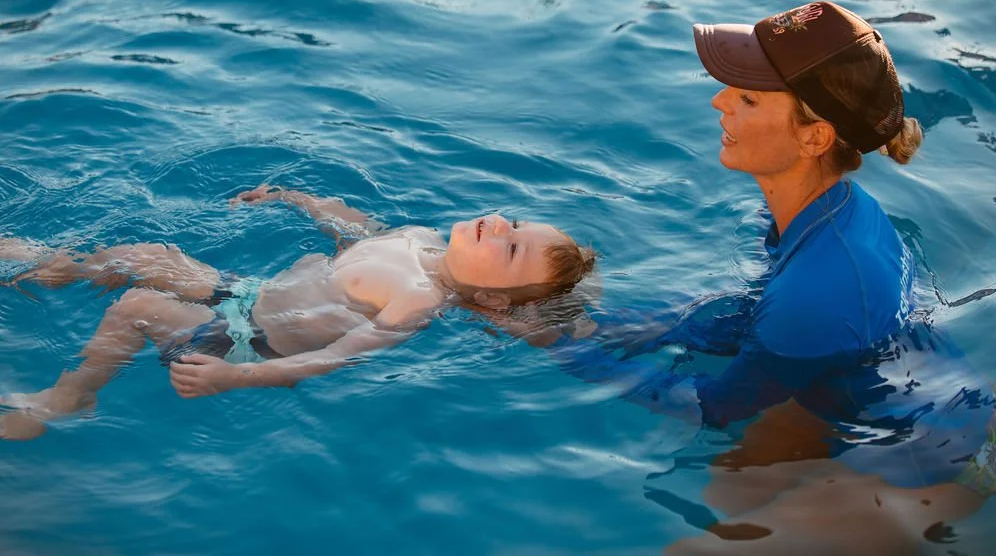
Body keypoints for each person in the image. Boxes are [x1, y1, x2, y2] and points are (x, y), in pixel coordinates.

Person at [529, 2, 996, 554]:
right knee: (727, 490)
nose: (719, 100)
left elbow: (710, 405)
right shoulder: (837, 213)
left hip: (934, 469)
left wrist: (565, 350)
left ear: (815, 138)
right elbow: (760, 316)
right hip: (944, 407)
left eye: (748, 98)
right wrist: (638, 327)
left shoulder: (819, 288)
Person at [0, 185, 594, 440]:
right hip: (247, 293)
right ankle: (58, 265)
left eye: (511, 247)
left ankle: (69, 396)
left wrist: (238, 375)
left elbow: (336, 357)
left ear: (491, 298)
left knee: (136, 306)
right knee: (146, 254)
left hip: (249, 338)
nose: (502, 228)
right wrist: (298, 199)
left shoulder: (420, 301)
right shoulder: (421, 238)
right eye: (515, 224)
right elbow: (354, 229)